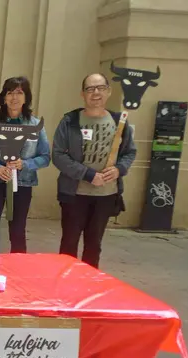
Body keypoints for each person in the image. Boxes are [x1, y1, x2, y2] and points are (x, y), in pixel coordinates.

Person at [52, 73, 137, 268]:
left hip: (106, 195)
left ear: (109, 91)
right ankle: (66, 282)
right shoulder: (70, 121)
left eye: (100, 88)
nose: (96, 93)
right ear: (82, 94)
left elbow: (129, 152)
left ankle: (88, 283)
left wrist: (119, 169)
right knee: (69, 243)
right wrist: (88, 175)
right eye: (90, 89)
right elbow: (58, 155)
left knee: (94, 245)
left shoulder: (119, 122)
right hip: (74, 194)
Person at [0, 76, 50, 253]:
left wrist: (25, 164)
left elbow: (45, 157)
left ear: (26, 97)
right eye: (10, 92)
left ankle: (18, 266)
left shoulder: (35, 124)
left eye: (19, 92)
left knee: (17, 231)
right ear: (4, 97)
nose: (14, 97)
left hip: (22, 184)